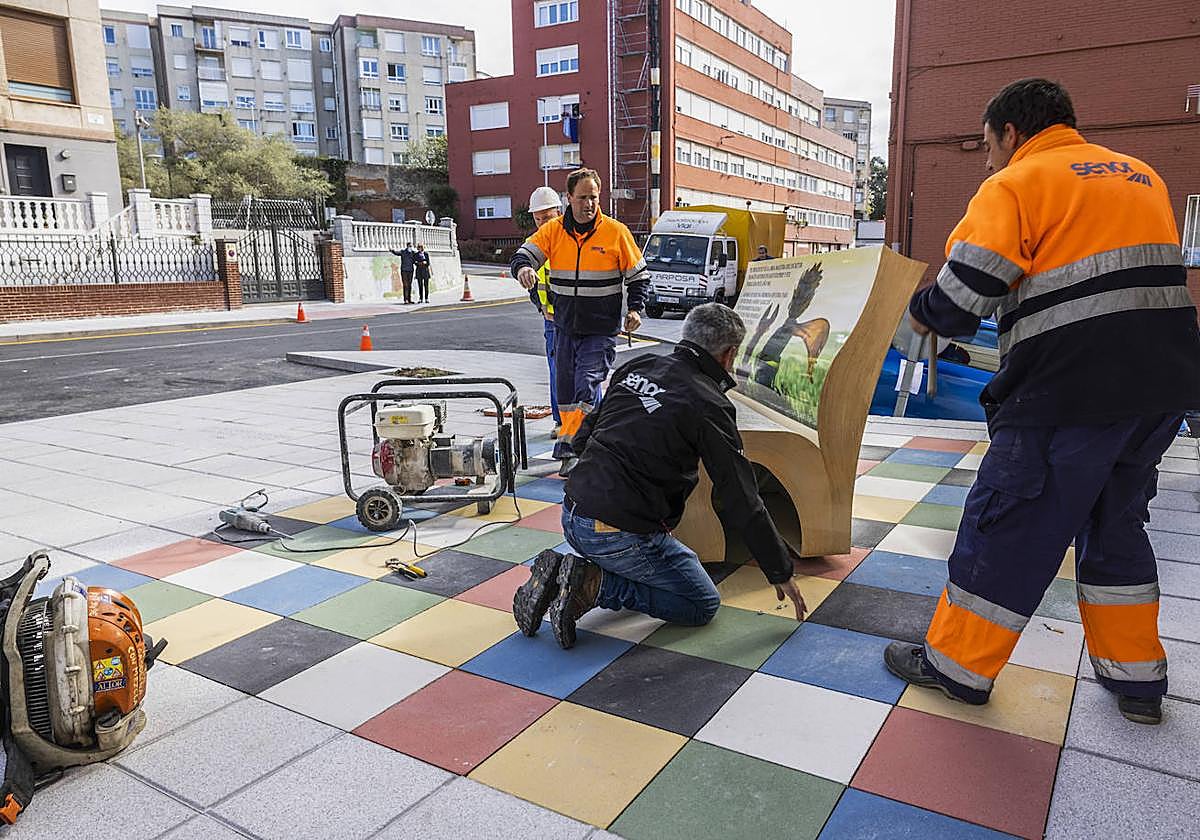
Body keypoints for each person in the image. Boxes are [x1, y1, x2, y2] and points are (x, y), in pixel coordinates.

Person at [883, 78, 1200, 725]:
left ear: (1010, 132)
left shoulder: (1018, 183)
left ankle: (957, 668)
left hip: (1066, 394)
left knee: (1008, 526)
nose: (988, 161)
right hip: (1160, 393)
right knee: (1115, 528)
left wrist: (916, 316)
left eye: (987, 146)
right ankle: (1137, 680)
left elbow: (966, 292)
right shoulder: (1141, 176)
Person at [511, 303, 808, 649]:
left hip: (572, 513)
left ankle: (571, 573)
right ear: (729, 354)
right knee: (700, 602)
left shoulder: (639, 365)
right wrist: (779, 569)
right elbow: (740, 495)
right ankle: (593, 584)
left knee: (670, 553)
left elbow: (583, 436)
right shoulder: (708, 403)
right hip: (616, 535)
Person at [512, 168, 649, 475]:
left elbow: (639, 276)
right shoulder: (554, 231)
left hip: (601, 329)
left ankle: (570, 447)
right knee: (565, 391)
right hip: (564, 327)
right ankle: (587, 444)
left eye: (594, 197)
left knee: (586, 384)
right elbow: (523, 255)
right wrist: (523, 269)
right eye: (583, 197)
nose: (589, 204)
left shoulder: (616, 232)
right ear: (569, 198)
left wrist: (635, 309)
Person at [525, 186, 565, 437]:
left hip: (576, 318)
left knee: (586, 373)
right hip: (551, 321)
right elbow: (533, 286)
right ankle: (560, 422)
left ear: (559, 212)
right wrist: (542, 308)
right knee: (557, 372)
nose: (543, 223)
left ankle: (591, 422)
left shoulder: (570, 240)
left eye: (547, 217)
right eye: (538, 219)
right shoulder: (533, 245)